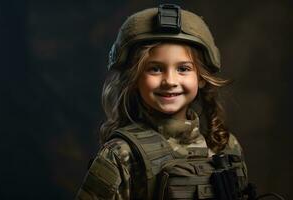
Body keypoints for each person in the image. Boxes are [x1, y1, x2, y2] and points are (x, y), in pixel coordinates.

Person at [76, 4, 250, 200]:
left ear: (201, 77)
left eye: (183, 68)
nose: (170, 81)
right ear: (134, 78)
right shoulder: (121, 154)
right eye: (155, 69)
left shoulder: (225, 145)